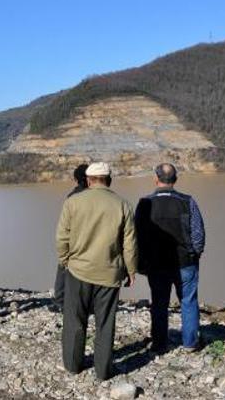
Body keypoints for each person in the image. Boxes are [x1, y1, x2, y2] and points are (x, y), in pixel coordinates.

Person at [55, 162, 137, 380]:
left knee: (74, 319)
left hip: (78, 271)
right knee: (105, 323)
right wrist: (131, 271)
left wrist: (65, 261)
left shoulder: (73, 202)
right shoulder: (123, 205)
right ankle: (102, 370)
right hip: (109, 274)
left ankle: (73, 365)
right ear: (109, 180)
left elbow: (62, 238)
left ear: (89, 180)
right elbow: (129, 244)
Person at [134, 163, 205, 352]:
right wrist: (194, 254)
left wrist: (140, 263)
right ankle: (190, 343)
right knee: (188, 301)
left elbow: (137, 236)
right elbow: (198, 235)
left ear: (156, 179)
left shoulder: (144, 204)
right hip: (185, 262)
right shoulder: (188, 201)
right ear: (175, 180)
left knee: (159, 303)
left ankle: (159, 344)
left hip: (156, 264)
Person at [50, 164, 89, 313]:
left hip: (73, 241)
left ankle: (59, 301)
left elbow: (65, 226)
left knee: (63, 269)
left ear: (75, 179)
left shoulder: (72, 197)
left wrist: (63, 248)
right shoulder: (96, 196)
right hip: (91, 241)